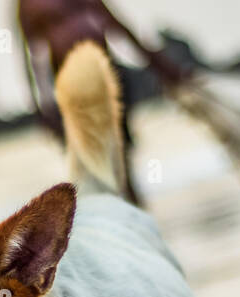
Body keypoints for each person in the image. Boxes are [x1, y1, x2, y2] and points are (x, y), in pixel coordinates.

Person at [17, 0, 189, 206]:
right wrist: (40, 107)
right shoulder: (28, 4)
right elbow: (30, 56)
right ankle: (119, 213)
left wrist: (158, 63)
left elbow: (115, 24)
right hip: (72, 89)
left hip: (109, 77)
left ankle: (135, 211)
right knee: (93, 164)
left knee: (121, 157)